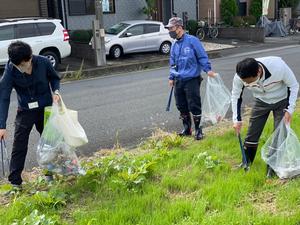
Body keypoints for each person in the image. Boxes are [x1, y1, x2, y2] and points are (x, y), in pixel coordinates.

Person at [0, 41, 61, 189]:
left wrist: (56, 92)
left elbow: (54, 77)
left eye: (25, 63)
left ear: (30, 57)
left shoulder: (43, 62)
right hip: (25, 110)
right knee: (19, 144)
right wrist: (1, 125)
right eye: (19, 65)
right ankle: (15, 182)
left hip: (45, 108)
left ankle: (49, 174)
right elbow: (4, 97)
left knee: (49, 142)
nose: (23, 67)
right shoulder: (10, 69)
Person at [232, 57, 299, 178]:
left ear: (258, 72)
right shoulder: (240, 76)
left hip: (281, 100)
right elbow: (236, 96)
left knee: (279, 134)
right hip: (261, 101)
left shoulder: (278, 67)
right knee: (252, 132)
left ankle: (272, 168)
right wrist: (236, 120)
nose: (247, 85)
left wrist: (290, 109)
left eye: (250, 82)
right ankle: (246, 162)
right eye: (245, 83)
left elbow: (293, 86)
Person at [165, 17, 215, 140]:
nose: (169, 31)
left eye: (171, 28)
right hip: (178, 80)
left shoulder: (193, 41)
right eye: (169, 29)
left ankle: (199, 130)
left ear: (179, 28)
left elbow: (202, 56)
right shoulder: (174, 45)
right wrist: (171, 77)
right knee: (181, 105)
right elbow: (173, 62)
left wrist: (208, 70)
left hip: (192, 78)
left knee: (194, 105)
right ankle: (187, 129)